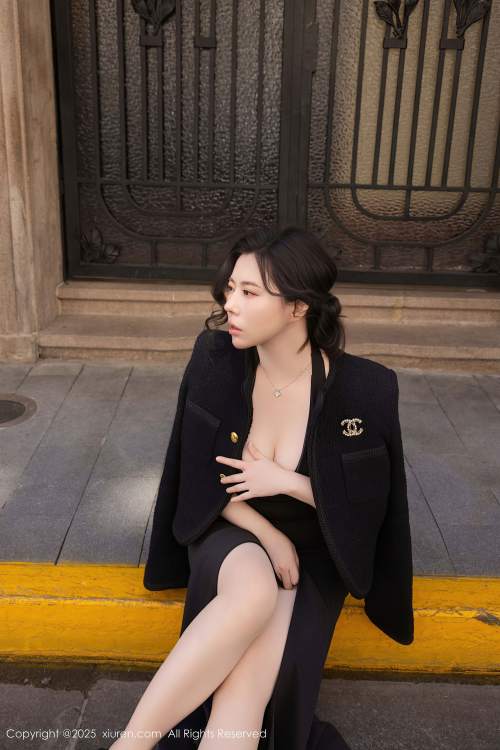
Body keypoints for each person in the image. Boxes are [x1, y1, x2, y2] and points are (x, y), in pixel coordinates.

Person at [103, 225, 414, 750]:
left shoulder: (366, 388)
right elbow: (196, 472)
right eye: (230, 289)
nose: (231, 305)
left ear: (298, 306)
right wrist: (268, 534)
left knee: (247, 688)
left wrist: (287, 482)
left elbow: (371, 510)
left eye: (249, 292)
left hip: (315, 551)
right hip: (232, 525)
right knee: (252, 591)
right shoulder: (215, 358)